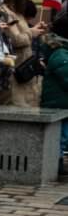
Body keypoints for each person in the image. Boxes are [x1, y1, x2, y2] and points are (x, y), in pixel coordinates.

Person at [0, 0, 45, 108]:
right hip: (14, 68)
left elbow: (24, 33)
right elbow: (15, 40)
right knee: (13, 103)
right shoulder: (5, 12)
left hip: (24, 66)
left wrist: (35, 29)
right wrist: (32, 32)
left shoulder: (17, 12)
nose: (26, 0)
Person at [41, 13, 68, 163]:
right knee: (61, 137)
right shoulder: (60, 54)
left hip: (62, 103)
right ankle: (54, 162)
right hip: (59, 104)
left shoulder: (63, 51)